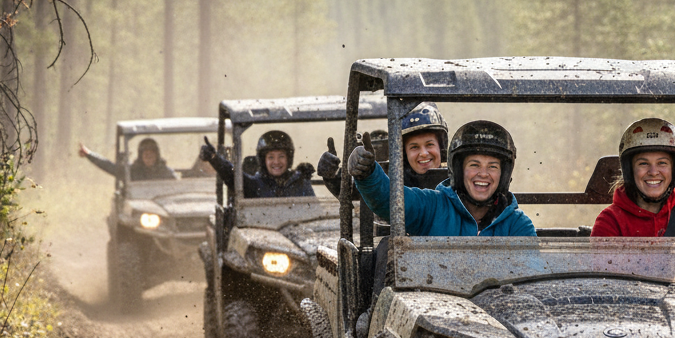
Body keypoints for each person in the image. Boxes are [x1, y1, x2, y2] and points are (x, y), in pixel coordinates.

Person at [347, 119, 536, 237]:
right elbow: (388, 201)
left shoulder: (517, 225)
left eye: (492, 167)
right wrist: (369, 173)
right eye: (474, 165)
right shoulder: (432, 207)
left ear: (503, 176)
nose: (483, 174)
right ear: (458, 171)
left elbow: (531, 276)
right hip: (430, 301)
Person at [317, 101, 448, 196]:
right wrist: (332, 176)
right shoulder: (390, 180)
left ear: (441, 148)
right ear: (403, 153)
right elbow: (357, 190)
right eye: (414, 147)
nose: (424, 153)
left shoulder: (457, 180)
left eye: (430, 144)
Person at [199, 129, 315, 198]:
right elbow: (231, 175)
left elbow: (315, 212)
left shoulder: (299, 182)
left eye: (281, 156)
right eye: (271, 157)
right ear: (263, 160)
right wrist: (215, 158)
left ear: (289, 159)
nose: (276, 162)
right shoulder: (255, 185)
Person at [78, 138, 176, 181]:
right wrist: (89, 154)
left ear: (157, 155)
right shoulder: (132, 171)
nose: (148, 157)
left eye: (151, 154)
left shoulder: (166, 173)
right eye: (146, 154)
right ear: (141, 156)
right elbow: (109, 167)